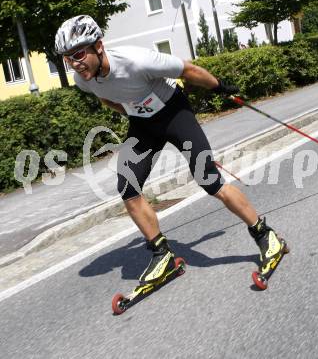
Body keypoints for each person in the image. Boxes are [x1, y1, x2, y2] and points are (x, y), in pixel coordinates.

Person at [55, 15, 286, 286]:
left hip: (174, 113)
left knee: (209, 180)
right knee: (127, 186)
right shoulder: (84, 79)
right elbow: (107, 99)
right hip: (143, 124)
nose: (75, 63)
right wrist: (134, 112)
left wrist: (218, 87)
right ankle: (161, 255)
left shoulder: (136, 60)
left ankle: (265, 235)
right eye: (68, 58)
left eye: (79, 53)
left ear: (99, 46)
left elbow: (188, 70)